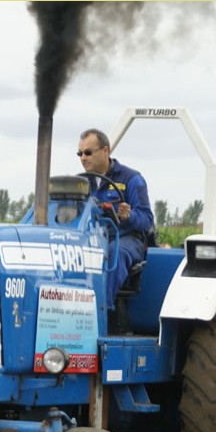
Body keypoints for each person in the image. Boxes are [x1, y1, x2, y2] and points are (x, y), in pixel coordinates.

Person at [77, 128, 154, 308]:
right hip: (91, 238)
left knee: (113, 253)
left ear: (105, 151)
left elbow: (146, 218)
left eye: (88, 152)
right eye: (80, 154)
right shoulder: (80, 183)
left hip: (125, 238)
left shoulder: (131, 179)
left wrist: (129, 216)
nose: (83, 158)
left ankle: (99, 309)